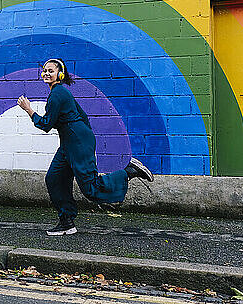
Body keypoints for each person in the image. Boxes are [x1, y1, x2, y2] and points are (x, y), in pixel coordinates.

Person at [17, 58, 154, 236]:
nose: (46, 73)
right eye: (44, 70)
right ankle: (66, 222)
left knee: (91, 189)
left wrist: (29, 109)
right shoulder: (58, 93)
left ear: (60, 74)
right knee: (54, 179)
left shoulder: (58, 94)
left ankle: (130, 171)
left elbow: (46, 124)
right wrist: (82, 136)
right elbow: (82, 116)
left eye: (51, 70)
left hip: (76, 142)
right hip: (70, 142)